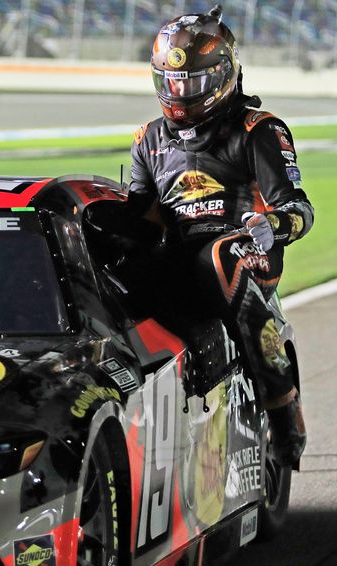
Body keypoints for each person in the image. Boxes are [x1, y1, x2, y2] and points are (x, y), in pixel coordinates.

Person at [125, 5, 313, 465]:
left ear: (224, 76)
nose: (181, 93)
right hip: (180, 253)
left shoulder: (260, 130)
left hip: (246, 249)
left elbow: (299, 208)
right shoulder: (147, 139)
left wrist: (274, 226)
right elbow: (136, 216)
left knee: (219, 258)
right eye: (172, 83)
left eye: (192, 82)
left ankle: (284, 408)